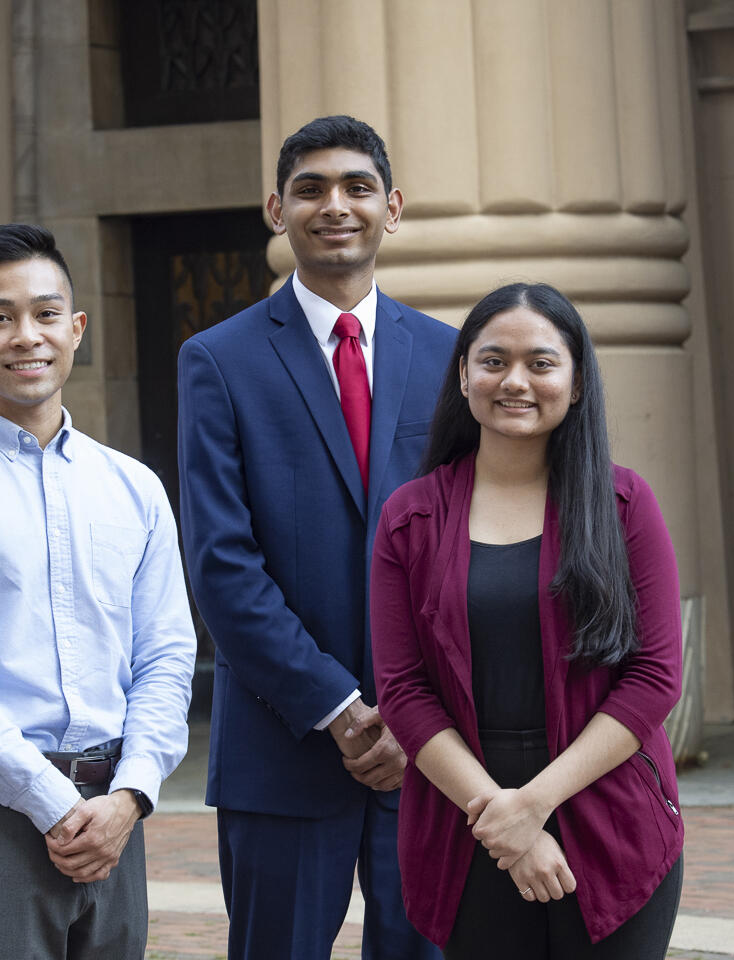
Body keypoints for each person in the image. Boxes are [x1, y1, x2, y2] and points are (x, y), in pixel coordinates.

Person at [0, 223, 196, 960]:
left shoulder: (134, 487)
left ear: (76, 328)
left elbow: (167, 655)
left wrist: (130, 795)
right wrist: (52, 803)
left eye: (46, 314)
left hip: (115, 808)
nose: (27, 336)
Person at [177, 115, 455, 959]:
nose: (335, 205)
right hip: (282, 747)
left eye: (357, 187)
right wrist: (337, 709)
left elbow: (465, 552)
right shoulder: (218, 360)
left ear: (392, 208)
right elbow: (222, 566)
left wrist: (411, 714)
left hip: (431, 755)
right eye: (311, 189)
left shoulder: (452, 358)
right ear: (277, 210)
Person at [368, 282, 685, 957]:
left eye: (541, 363)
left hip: (610, 813)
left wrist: (533, 806)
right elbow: (403, 690)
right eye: (494, 361)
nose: (516, 381)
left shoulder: (624, 504)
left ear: (576, 382)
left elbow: (655, 676)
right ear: (463, 376)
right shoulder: (410, 518)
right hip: (467, 822)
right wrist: (501, 819)